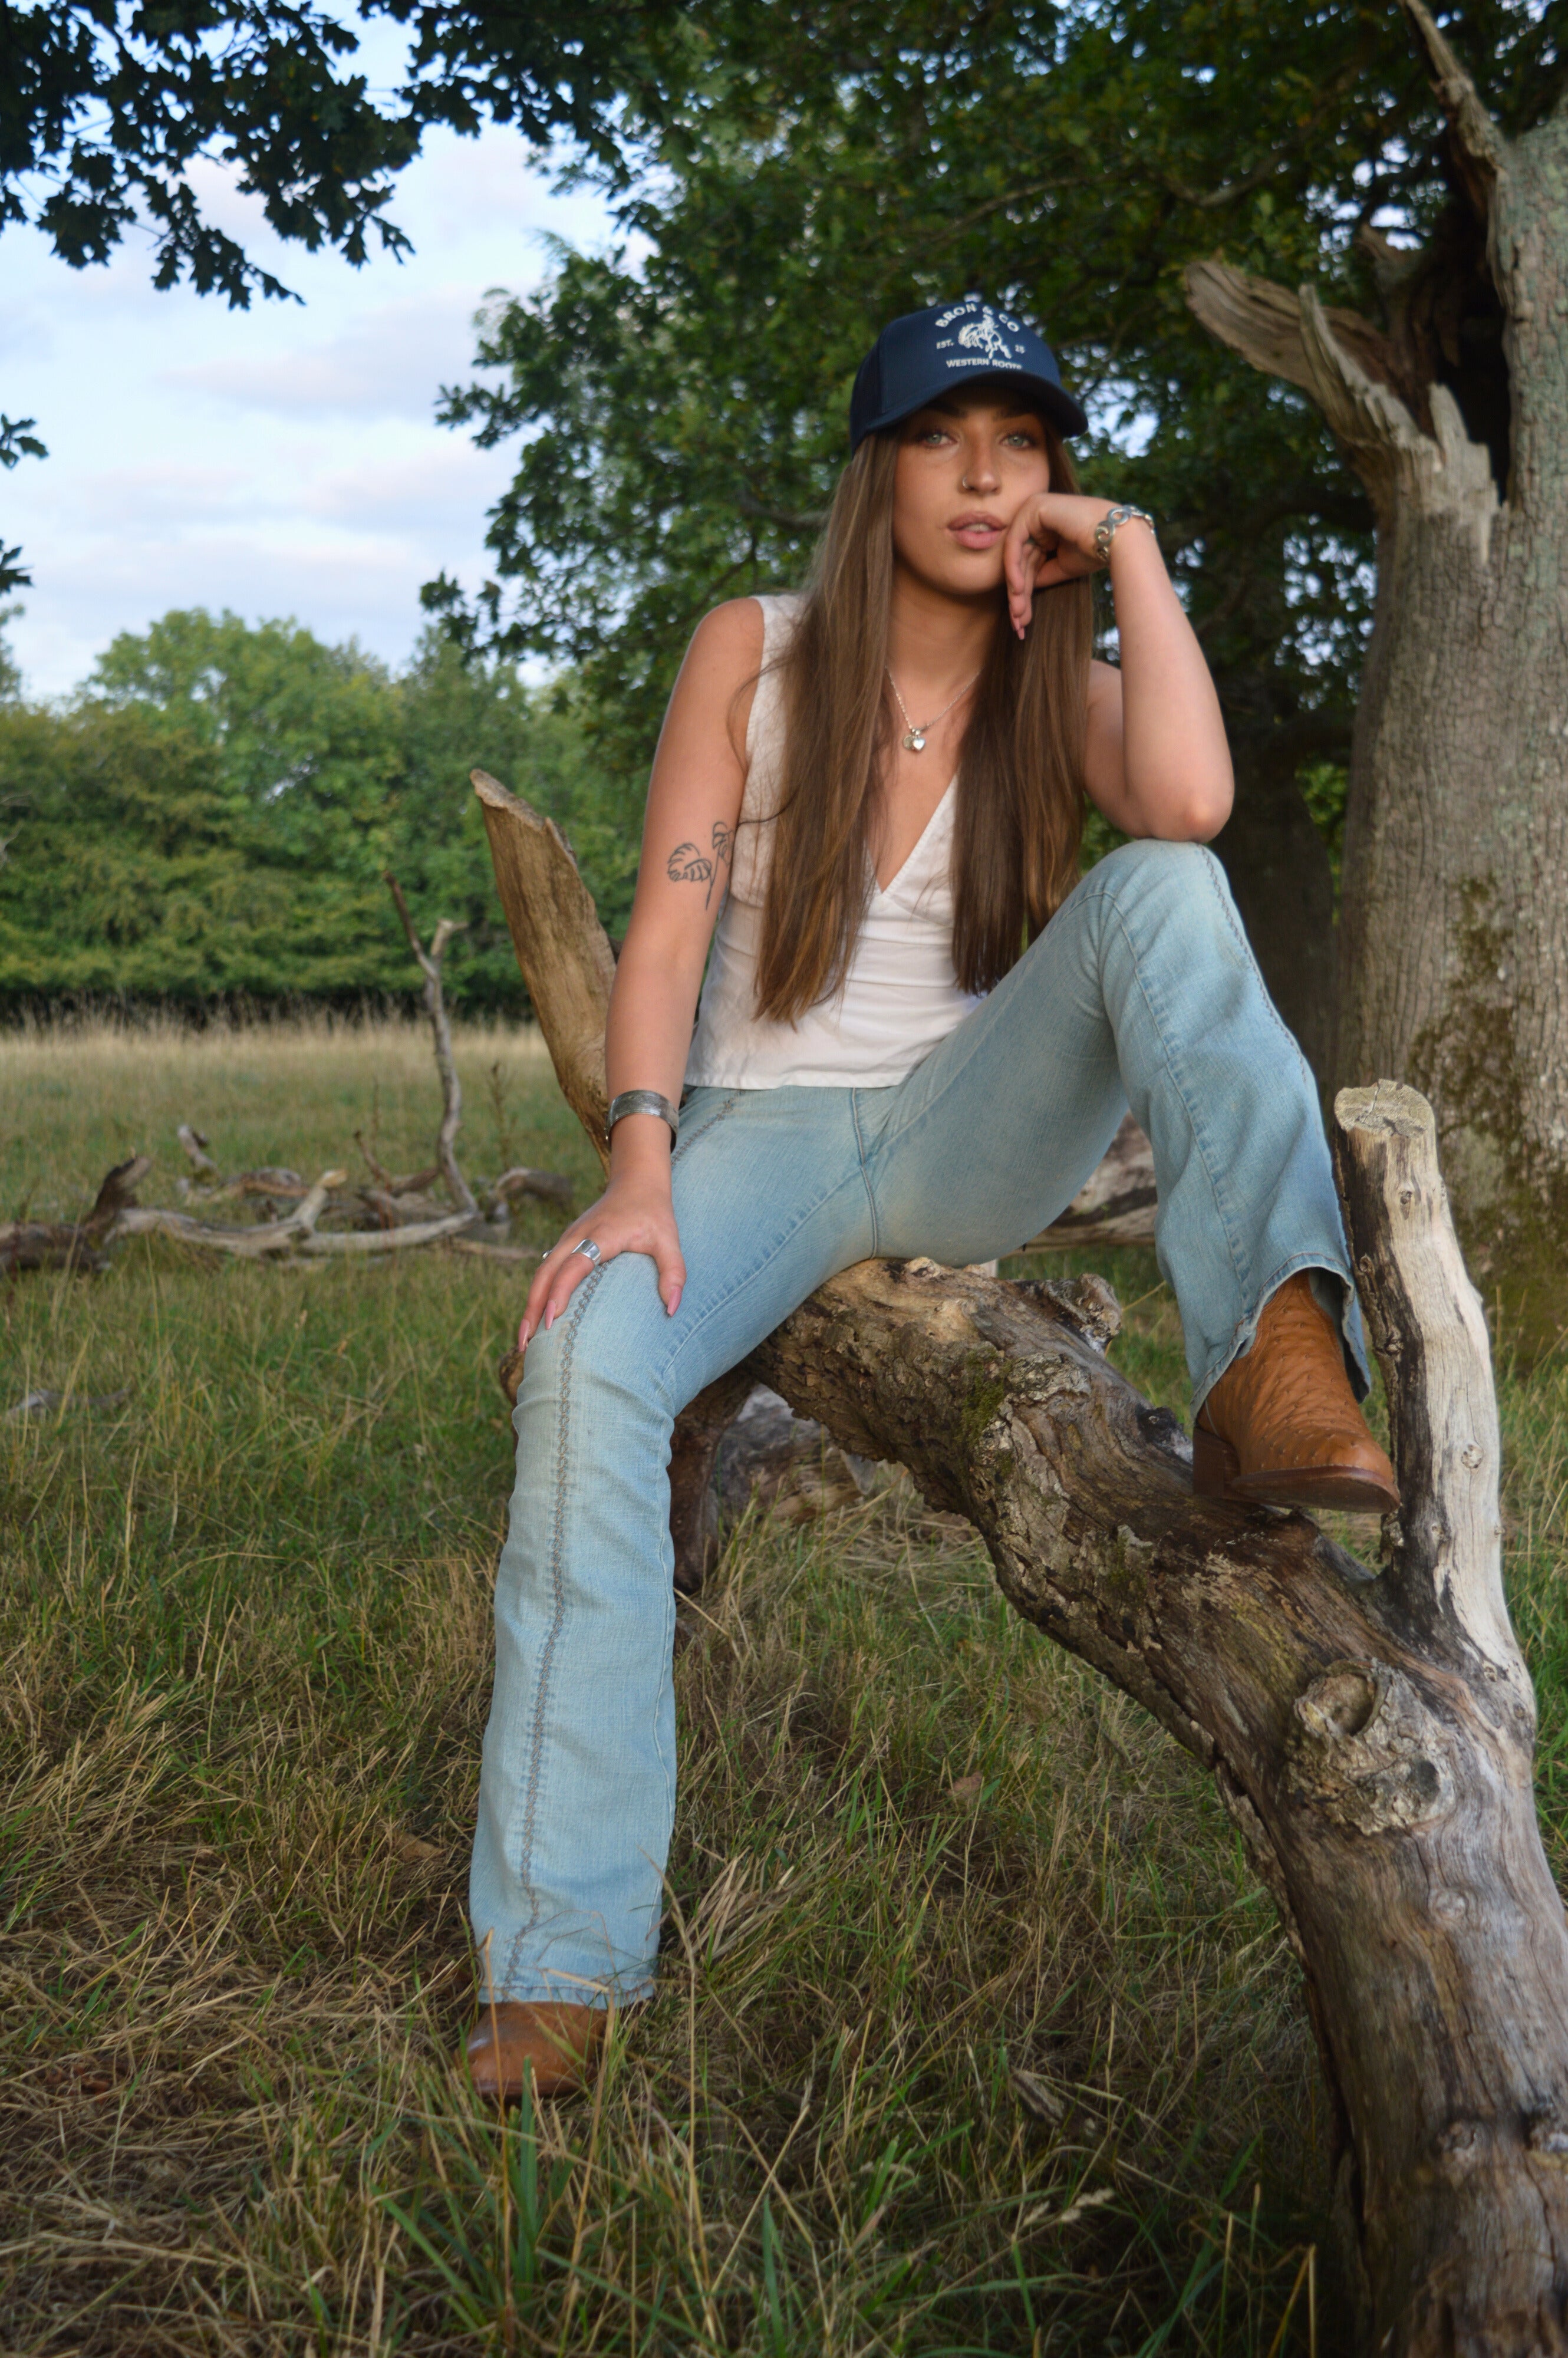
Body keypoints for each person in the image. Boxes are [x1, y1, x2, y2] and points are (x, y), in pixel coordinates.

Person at [460, 296, 1396, 2101]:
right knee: (586, 1361)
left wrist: (1128, 552)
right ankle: (556, 1965)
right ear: (875, 468)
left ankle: (1275, 1357)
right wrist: (639, 1161)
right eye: (943, 440)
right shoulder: (757, 645)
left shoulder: (1065, 677)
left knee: (1170, 893)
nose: (987, 478)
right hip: (752, 1129)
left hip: (966, 1129)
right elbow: (663, 925)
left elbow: (1190, 799)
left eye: (1026, 446)